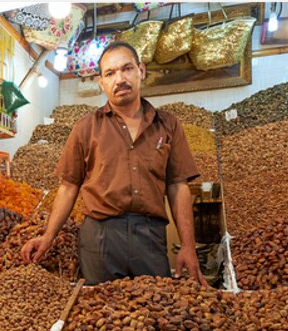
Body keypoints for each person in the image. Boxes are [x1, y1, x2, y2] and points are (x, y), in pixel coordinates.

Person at [21, 41, 208, 287]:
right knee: (100, 315)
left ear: (140, 71)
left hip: (150, 236)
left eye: (127, 68)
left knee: (155, 310)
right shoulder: (85, 128)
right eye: (110, 73)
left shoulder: (168, 125)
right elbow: (68, 187)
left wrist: (188, 245)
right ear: (101, 82)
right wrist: (48, 236)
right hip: (100, 237)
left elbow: (178, 186)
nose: (119, 78)